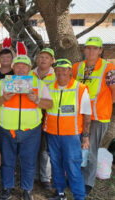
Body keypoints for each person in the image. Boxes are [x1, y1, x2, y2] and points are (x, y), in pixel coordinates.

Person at [0, 54, 53, 200]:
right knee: (8, 160)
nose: (21, 68)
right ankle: (7, 188)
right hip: (7, 129)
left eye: (24, 66)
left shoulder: (39, 84)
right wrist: (4, 98)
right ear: (13, 68)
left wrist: (37, 100)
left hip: (31, 130)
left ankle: (27, 190)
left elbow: (50, 105)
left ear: (29, 68)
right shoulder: (2, 83)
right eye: (18, 66)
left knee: (29, 161)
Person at [72, 36, 115, 195]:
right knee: (77, 149)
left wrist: (104, 106)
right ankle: (75, 177)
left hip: (98, 117)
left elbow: (114, 92)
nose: (91, 51)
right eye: (88, 47)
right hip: (78, 117)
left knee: (90, 150)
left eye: (95, 48)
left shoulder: (108, 67)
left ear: (100, 50)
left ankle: (87, 182)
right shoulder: (77, 67)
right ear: (84, 49)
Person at [44, 59, 91, 200]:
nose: (61, 72)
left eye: (64, 69)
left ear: (70, 71)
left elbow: (87, 115)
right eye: (58, 69)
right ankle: (60, 193)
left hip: (71, 136)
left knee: (72, 166)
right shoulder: (49, 87)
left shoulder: (80, 88)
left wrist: (86, 136)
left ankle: (79, 196)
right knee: (55, 164)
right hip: (52, 134)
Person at [30, 47, 56, 189]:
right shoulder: (30, 74)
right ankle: (33, 175)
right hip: (33, 116)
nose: (43, 59)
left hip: (49, 115)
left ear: (52, 60)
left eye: (47, 57)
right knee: (33, 146)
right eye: (41, 56)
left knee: (45, 148)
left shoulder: (56, 76)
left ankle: (45, 177)